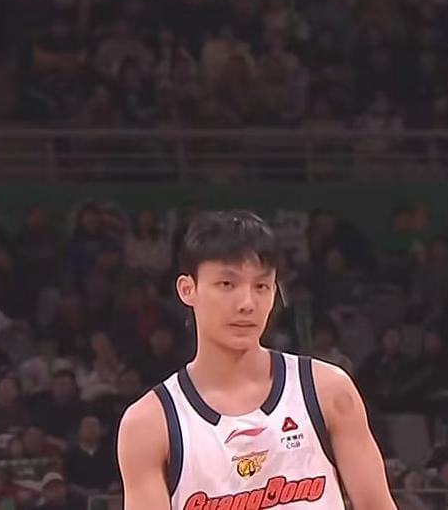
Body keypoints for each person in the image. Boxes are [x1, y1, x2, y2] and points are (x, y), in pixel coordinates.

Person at [116, 210, 396, 510]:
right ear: (188, 289)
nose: (247, 303)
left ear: (274, 291)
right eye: (227, 284)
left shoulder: (326, 390)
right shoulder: (149, 423)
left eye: (261, 286)